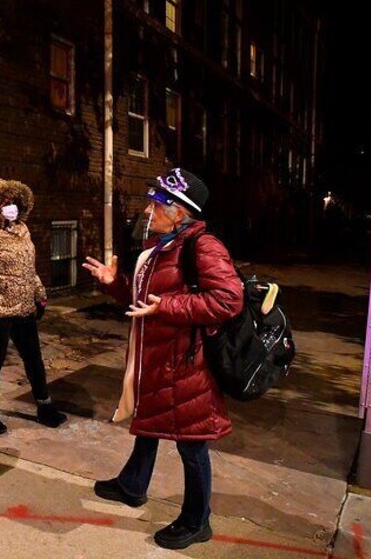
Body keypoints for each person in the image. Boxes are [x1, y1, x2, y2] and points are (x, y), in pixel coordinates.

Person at [84, 168, 243, 550]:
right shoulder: (160, 246)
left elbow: (229, 299)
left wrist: (167, 307)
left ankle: (196, 520)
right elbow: (143, 302)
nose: (147, 210)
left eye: (157, 204)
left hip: (187, 363)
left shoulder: (202, 246)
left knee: (191, 444)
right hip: (158, 356)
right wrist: (115, 284)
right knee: (148, 422)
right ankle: (133, 485)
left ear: (180, 211)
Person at [0, 178, 67, 434]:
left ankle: (45, 406)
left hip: (22, 307)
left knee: (34, 358)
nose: (11, 207)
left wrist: (39, 293)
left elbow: (28, 268)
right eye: (5, 203)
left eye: (14, 202)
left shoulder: (22, 230)